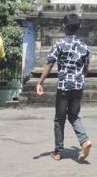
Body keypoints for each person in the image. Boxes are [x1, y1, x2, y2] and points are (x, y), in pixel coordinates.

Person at [36, 13, 93, 162]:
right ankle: (84, 140)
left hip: (63, 87)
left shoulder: (59, 45)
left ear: (63, 27)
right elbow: (86, 69)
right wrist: (79, 79)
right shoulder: (84, 47)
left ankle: (58, 151)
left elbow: (50, 64)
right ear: (79, 27)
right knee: (74, 116)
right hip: (78, 86)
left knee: (59, 119)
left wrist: (40, 82)